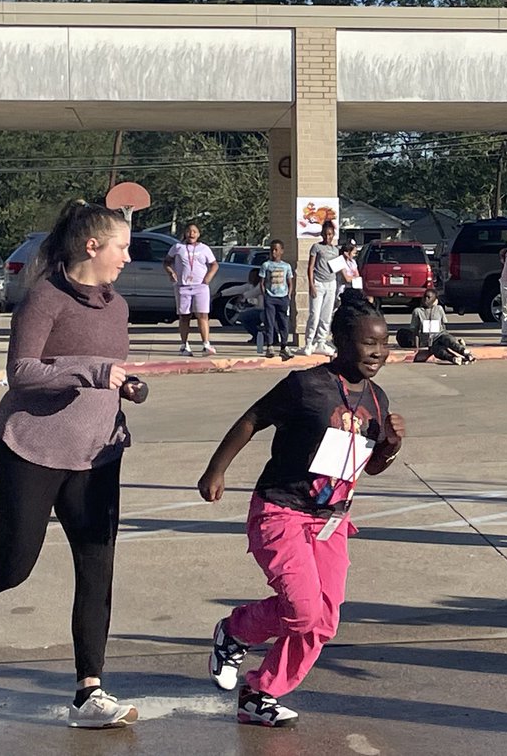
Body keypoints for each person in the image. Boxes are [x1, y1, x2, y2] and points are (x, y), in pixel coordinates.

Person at [0, 200, 149, 729]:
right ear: (92, 246)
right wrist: (92, 371)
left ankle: (88, 693)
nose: (128, 255)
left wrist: (126, 386)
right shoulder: (45, 297)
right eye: (121, 245)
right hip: (28, 447)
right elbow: (22, 372)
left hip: (97, 454)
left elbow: (107, 374)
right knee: (13, 565)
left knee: (97, 569)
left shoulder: (116, 306)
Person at [197, 290, 405, 727]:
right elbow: (253, 418)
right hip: (282, 510)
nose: (378, 353)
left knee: (323, 620)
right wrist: (216, 470)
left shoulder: (376, 398)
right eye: (369, 344)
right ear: (340, 341)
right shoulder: (307, 385)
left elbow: (370, 466)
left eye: (384, 344)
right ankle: (235, 630)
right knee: (303, 610)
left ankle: (262, 693)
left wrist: (391, 446)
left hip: (330, 519)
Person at [164, 224, 219, 357]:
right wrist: (171, 272)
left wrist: (208, 277)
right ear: (185, 233)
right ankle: (184, 345)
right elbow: (166, 262)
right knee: (184, 316)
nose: (191, 234)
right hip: (183, 286)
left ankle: (206, 344)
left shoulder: (204, 248)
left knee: (203, 315)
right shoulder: (178, 247)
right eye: (189, 231)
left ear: (198, 234)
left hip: (200, 287)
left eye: (194, 231)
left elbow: (214, 264)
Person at [398, 289, 474, 365]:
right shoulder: (417, 311)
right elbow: (416, 331)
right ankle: (454, 358)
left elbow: (444, 326)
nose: (426, 300)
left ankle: (465, 352)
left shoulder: (439, 309)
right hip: (429, 341)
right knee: (438, 351)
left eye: (429, 297)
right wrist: (417, 348)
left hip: (440, 335)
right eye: (424, 297)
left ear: (435, 300)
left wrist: (448, 337)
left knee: (449, 340)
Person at [303, 221, 339, 357]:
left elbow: (338, 268)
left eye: (330, 234)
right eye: (325, 234)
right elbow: (311, 266)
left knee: (326, 316)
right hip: (318, 283)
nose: (327, 237)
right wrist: (311, 285)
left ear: (333, 235)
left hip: (331, 283)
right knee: (314, 315)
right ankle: (309, 342)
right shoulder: (316, 247)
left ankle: (321, 342)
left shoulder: (335, 250)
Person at [260, 240, 295, 359]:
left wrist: (288, 294)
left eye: (276, 249)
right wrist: (265, 294)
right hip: (270, 297)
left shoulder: (286, 266)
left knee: (283, 322)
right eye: (272, 250)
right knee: (269, 322)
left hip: (283, 297)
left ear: (281, 251)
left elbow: (290, 282)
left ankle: (284, 346)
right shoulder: (266, 265)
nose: (274, 252)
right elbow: (262, 282)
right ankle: (269, 345)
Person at [233, 268, 265, 345]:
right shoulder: (249, 286)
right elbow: (236, 289)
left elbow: (256, 292)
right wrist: (221, 293)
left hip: (264, 311)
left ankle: (269, 337)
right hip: (257, 310)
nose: (251, 278)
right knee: (243, 317)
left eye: (254, 276)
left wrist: (243, 297)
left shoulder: (261, 286)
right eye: (250, 276)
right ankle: (257, 335)